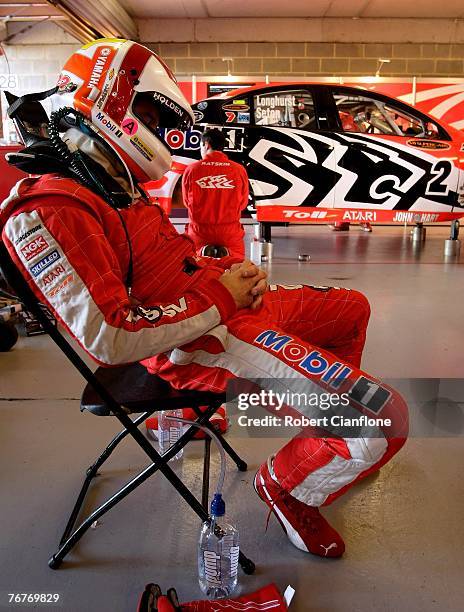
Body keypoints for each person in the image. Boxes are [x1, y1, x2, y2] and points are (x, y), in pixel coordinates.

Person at [0, 39, 408, 559]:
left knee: (353, 309)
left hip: (223, 306)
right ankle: (286, 487)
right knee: (381, 418)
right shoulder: (51, 207)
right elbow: (110, 336)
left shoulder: (107, 181)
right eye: (147, 112)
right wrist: (222, 293)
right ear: (111, 103)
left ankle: (326, 434)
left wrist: (232, 274)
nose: (156, 127)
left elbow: (169, 261)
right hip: (198, 339)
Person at [182, 128, 248, 259]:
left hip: (199, 231)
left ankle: (202, 252)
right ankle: (228, 254)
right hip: (230, 231)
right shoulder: (239, 170)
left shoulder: (192, 169)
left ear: (206, 145)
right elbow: (243, 203)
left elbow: (186, 202)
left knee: (191, 258)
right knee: (238, 260)